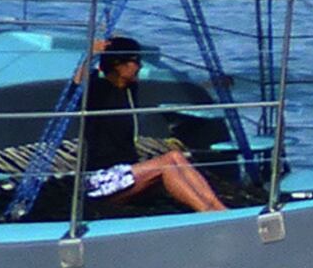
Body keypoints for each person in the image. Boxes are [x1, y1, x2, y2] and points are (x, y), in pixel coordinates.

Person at [74, 35, 229, 214]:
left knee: (176, 156)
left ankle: (219, 209)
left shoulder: (128, 90)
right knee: (166, 164)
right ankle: (206, 212)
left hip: (126, 172)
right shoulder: (97, 91)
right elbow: (78, 86)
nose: (140, 66)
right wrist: (91, 55)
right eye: (135, 61)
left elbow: (167, 89)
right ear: (119, 64)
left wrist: (213, 84)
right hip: (100, 181)